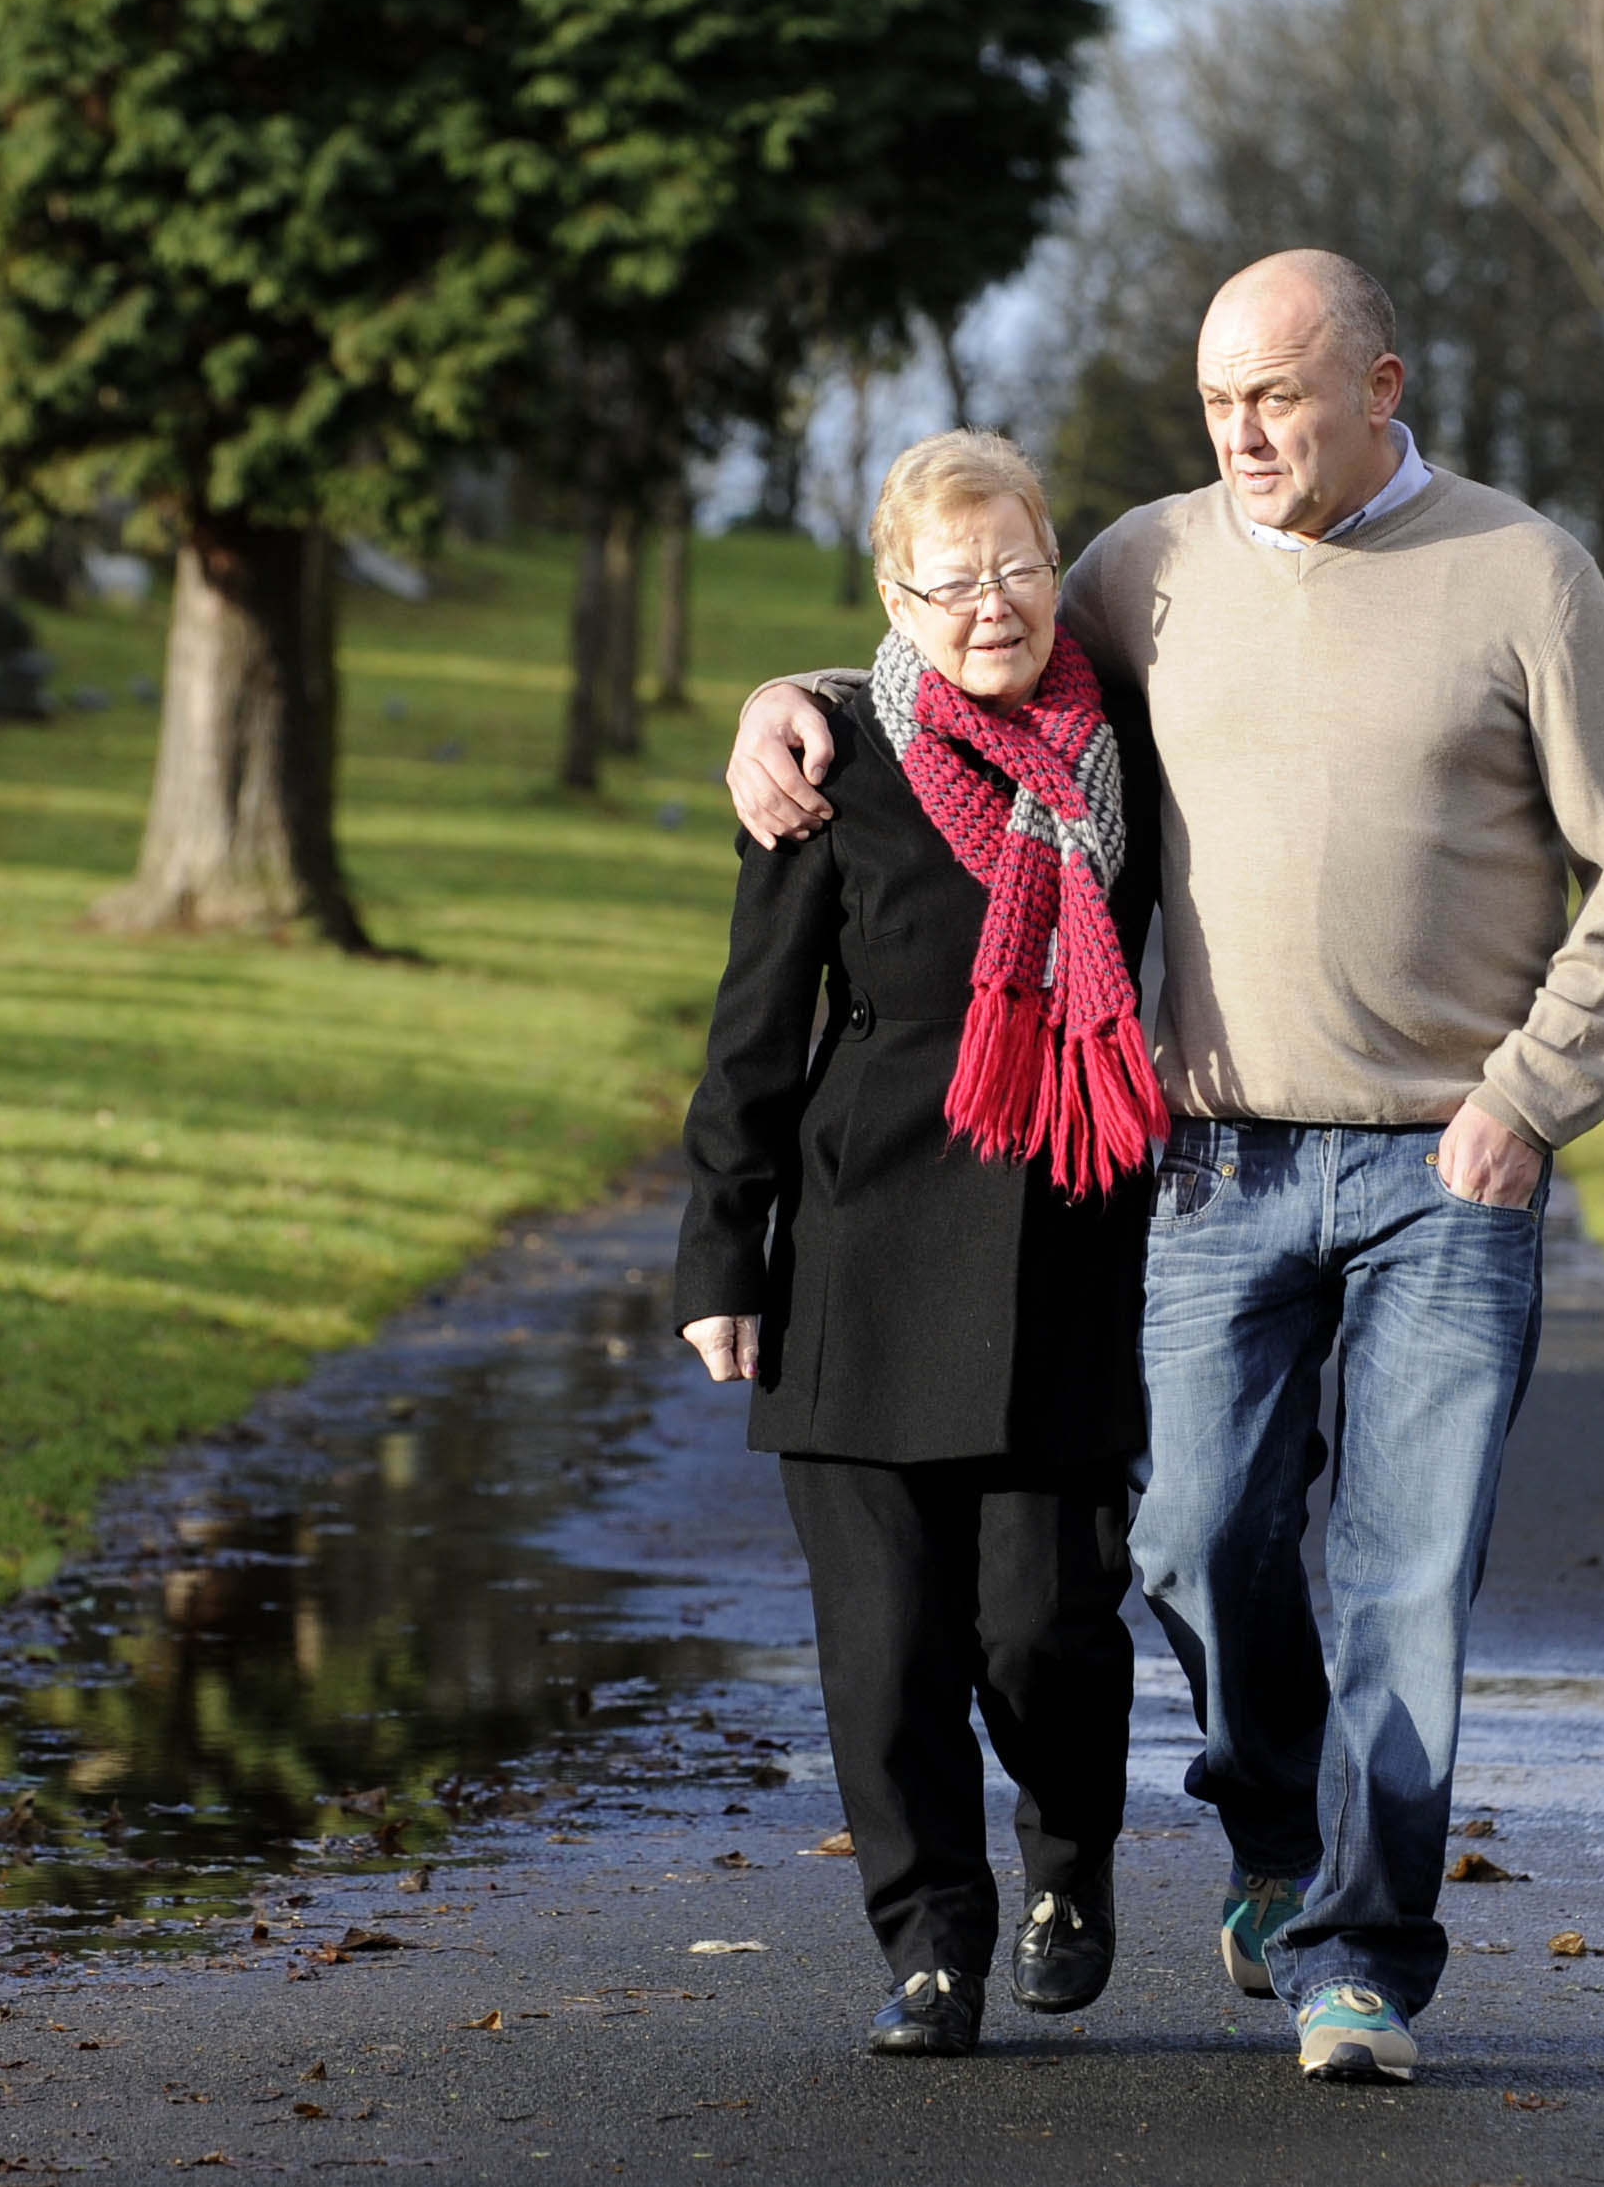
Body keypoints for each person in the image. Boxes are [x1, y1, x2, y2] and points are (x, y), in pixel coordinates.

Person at [725, 251, 1604, 2085]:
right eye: (1217, 402)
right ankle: (1271, 1833)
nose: (1241, 434)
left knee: (1403, 1579)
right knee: (1182, 1540)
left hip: (1442, 1172)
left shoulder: (1524, 576)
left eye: (1280, 397)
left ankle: (1358, 1958)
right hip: (1214, 1165)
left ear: (1383, 384)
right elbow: (970, 661)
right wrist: (787, 702)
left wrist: (1529, 1099)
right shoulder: (1148, 561)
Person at [674, 430, 1167, 2061]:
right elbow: (754, 1027)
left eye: (1018, 566)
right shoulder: (831, 760)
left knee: (1044, 1623)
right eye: (949, 580)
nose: (990, 604)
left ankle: (1067, 1862)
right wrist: (719, 1254)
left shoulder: (1131, 750)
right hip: (861, 1243)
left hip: (1067, 1232)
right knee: (885, 1646)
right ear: (896, 594)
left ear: (1058, 564)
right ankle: (931, 1940)